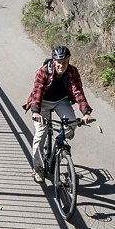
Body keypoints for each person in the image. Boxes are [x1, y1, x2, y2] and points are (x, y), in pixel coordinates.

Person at [23, 45, 95, 182]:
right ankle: (38, 168)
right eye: (59, 62)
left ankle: (59, 143)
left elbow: (78, 91)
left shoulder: (72, 72)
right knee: (40, 134)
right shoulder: (43, 71)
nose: (62, 65)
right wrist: (35, 112)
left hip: (61, 100)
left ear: (69, 61)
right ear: (54, 61)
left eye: (65, 62)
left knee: (72, 124)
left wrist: (86, 112)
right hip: (43, 103)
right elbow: (37, 91)